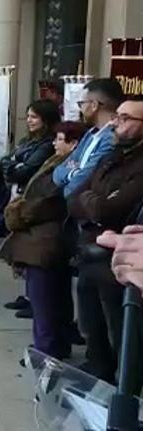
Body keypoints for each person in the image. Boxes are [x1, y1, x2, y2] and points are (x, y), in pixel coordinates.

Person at [67, 97, 143, 383]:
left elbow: (110, 208)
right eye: (117, 117)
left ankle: (126, 383)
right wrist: (93, 202)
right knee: (90, 320)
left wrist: (94, 203)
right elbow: (75, 195)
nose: (116, 123)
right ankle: (97, 368)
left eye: (125, 119)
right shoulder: (111, 155)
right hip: (89, 250)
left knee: (120, 326)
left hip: (120, 260)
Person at [0, 121, 85, 363]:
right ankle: (56, 343)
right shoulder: (59, 162)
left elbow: (44, 201)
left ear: (73, 144)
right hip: (48, 237)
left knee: (43, 300)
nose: (55, 144)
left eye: (60, 139)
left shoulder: (70, 167)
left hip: (45, 238)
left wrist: (16, 214)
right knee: (55, 296)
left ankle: (45, 349)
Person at [53, 78, 121, 198]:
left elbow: (80, 182)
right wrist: (74, 173)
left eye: (81, 104)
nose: (80, 109)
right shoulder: (90, 133)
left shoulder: (111, 138)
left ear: (94, 105)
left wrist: (73, 174)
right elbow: (58, 171)